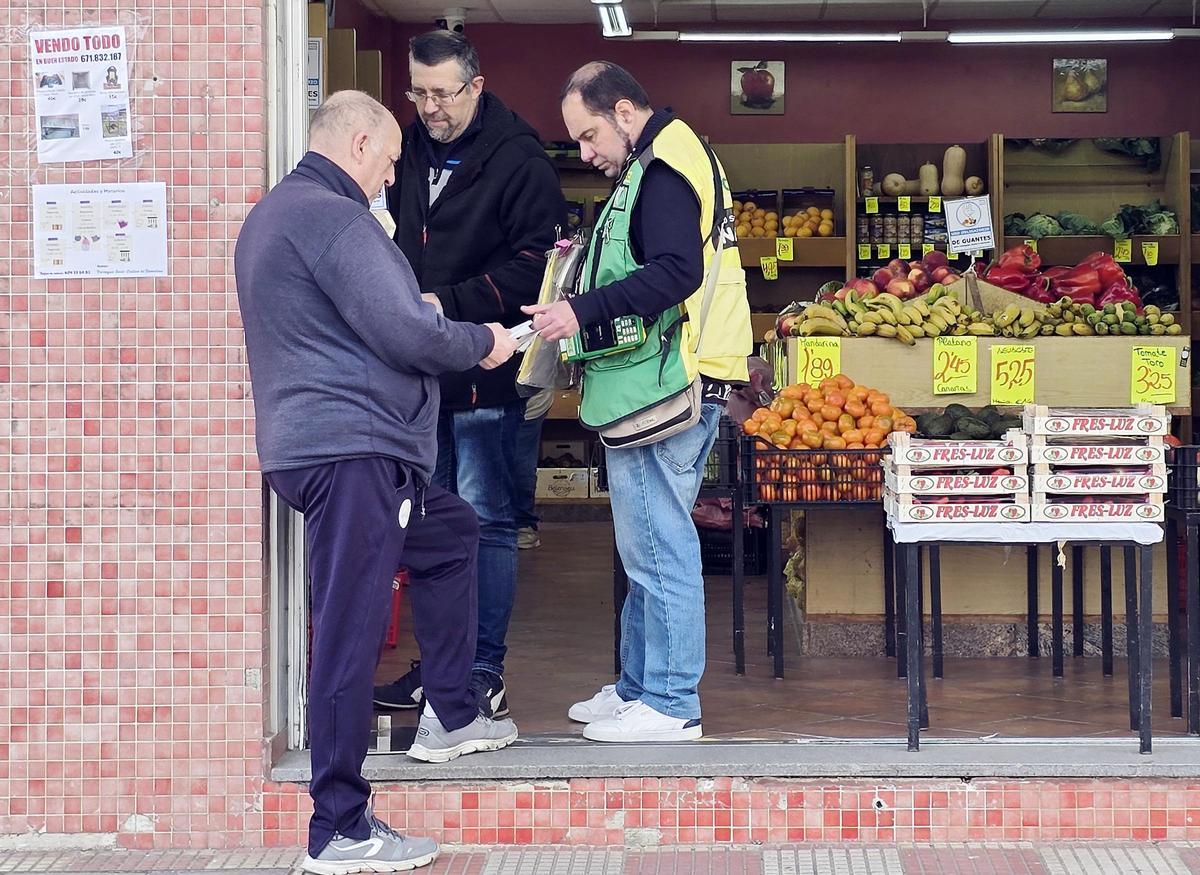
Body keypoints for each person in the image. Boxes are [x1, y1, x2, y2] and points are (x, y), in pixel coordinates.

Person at [234, 90, 520, 875]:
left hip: (333, 450)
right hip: (353, 453)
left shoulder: (275, 214)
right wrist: (482, 340)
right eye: (391, 161)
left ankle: (453, 711)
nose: (393, 177)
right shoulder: (333, 219)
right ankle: (339, 825)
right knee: (351, 627)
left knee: (453, 533)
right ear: (359, 144)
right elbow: (404, 328)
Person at [525, 63, 752, 743]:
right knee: (641, 545)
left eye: (590, 136)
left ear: (625, 111)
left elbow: (675, 271)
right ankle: (637, 686)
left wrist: (578, 310)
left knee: (659, 545)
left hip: (673, 384)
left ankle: (673, 701)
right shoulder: (654, 160)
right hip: (648, 382)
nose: (585, 153)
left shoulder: (665, 167)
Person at [374, 31, 566, 719]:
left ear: (475, 86)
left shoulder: (520, 160)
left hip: (488, 371)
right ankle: (440, 667)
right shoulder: (408, 147)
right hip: (424, 376)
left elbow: (537, 267)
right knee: (433, 523)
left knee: (486, 523)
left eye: (441, 94)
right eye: (418, 92)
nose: (428, 108)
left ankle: (484, 669)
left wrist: (443, 304)